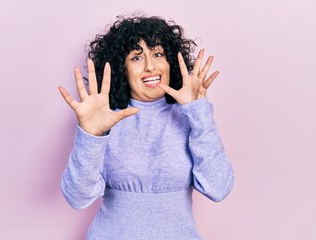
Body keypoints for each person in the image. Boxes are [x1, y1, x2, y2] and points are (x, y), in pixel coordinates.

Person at [58, 14, 234, 240]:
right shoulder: (104, 119)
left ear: (170, 61)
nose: (151, 66)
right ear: (122, 68)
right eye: (136, 58)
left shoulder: (191, 116)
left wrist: (199, 113)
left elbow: (218, 188)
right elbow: (77, 198)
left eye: (158, 54)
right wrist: (91, 136)